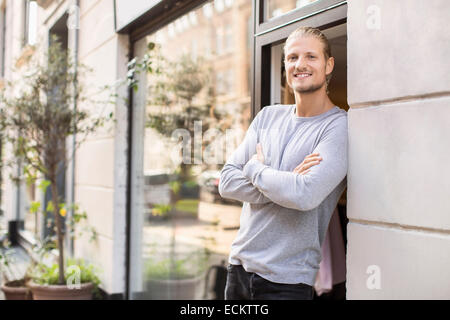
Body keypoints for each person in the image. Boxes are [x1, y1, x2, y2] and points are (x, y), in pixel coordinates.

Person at [218, 26, 348, 300]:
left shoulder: (338, 127)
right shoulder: (268, 117)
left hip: (286, 282)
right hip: (238, 269)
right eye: (292, 57)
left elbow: (304, 194)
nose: (300, 64)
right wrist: (286, 180)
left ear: (328, 65)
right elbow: (227, 182)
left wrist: (255, 169)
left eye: (311, 57)